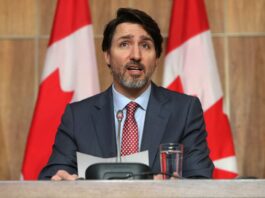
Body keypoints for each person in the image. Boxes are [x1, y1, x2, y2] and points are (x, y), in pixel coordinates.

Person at [39, 8, 214, 180]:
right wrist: (62, 181)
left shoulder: (184, 111)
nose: (136, 55)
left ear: (156, 58)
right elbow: (53, 177)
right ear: (107, 55)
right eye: (124, 44)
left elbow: (200, 179)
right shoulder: (78, 116)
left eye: (145, 45)